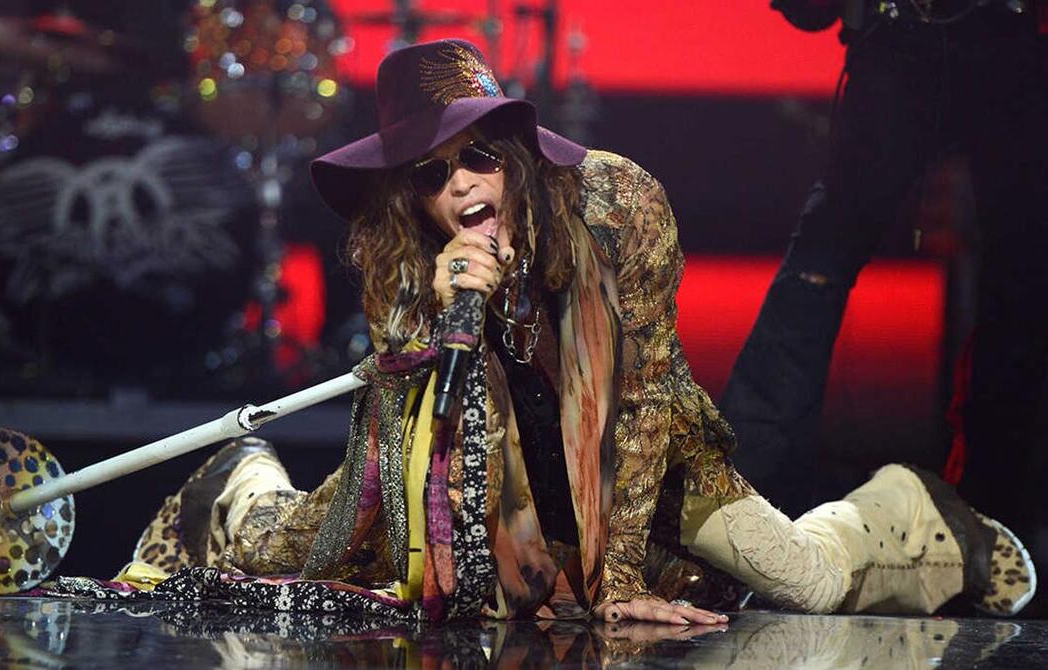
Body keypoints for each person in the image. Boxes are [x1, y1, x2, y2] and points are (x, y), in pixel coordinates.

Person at [97, 39, 1034, 623]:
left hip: (645, 465)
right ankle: (240, 480)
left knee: (807, 585)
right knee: (285, 552)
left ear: (512, 151)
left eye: (476, 156)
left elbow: (648, 402)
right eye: (431, 175)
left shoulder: (618, 204)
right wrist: (441, 318)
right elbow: (406, 438)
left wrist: (617, 581)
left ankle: (902, 510)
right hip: (479, 469)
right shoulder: (407, 262)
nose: (461, 185)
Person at [721, 2, 1048, 528]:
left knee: (1020, 289)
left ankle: (994, 525)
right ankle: (744, 506)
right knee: (820, 266)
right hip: (904, 44)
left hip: (1010, 49)